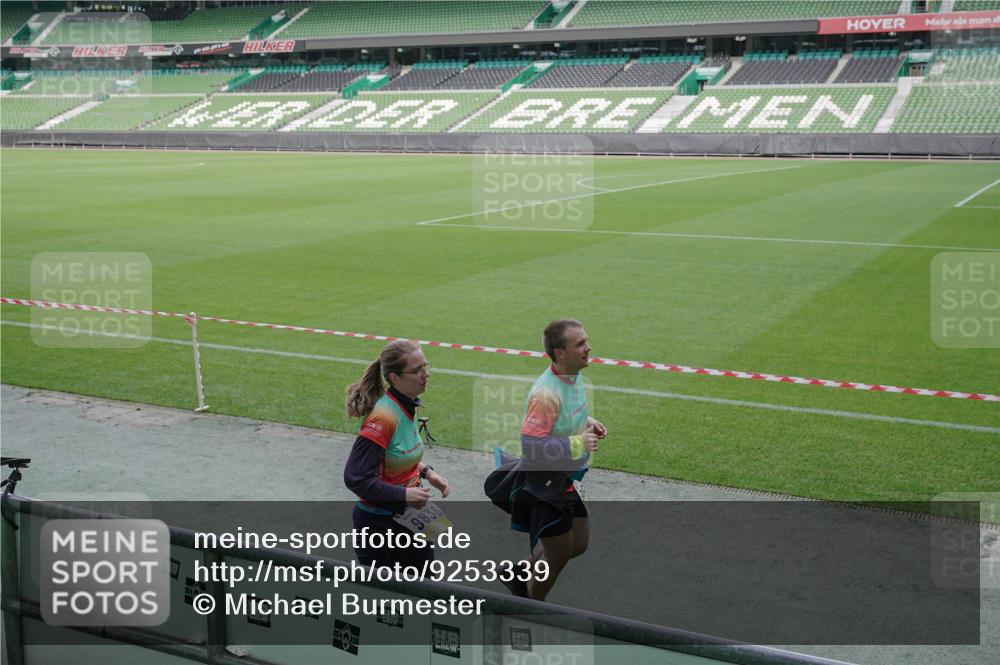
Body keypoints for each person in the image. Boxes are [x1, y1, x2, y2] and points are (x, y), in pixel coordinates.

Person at [486, 319, 607, 601]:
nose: (588, 348)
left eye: (586, 341)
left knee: (578, 544)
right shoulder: (546, 394)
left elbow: (562, 417)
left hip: (565, 475)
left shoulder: (572, 376)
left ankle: (520, 571)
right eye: (580, 344)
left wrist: (587, 421)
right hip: (545, 484)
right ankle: (533, 607)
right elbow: (531, 446)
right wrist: (579, 442)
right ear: (559, 352)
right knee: (559, 556)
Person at [344, 340, 450, 567]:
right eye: (417, 370)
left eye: (425, 366)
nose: (426, 374)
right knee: (392, 600)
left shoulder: (406, 405)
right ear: (394, 377)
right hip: (381, 528)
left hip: (410, 517)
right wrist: (404, 495)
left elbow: (397, 453)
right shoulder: (384, 417)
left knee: (426, 588)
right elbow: (356, 477)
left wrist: (428, 472)